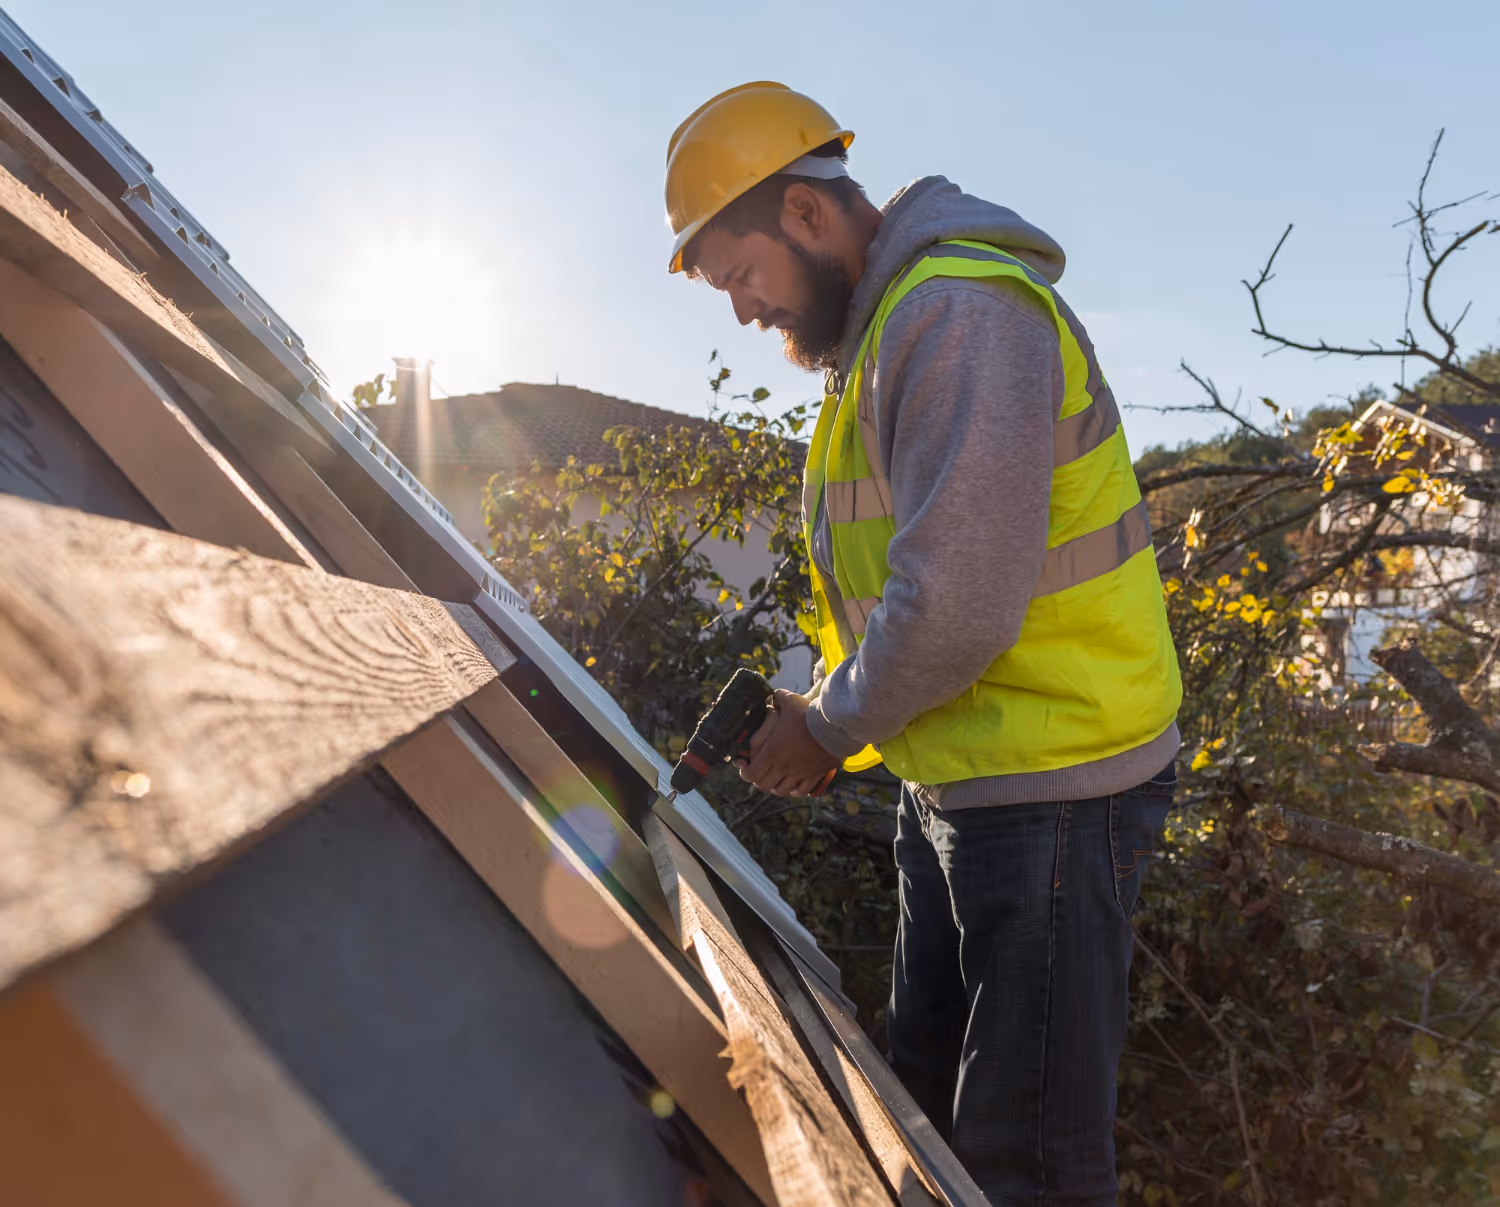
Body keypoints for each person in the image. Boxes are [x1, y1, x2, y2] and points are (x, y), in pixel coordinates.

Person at [664, 82, 1182, 1206]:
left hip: (1056, 786)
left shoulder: (958, 316)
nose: (744, 311)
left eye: (740, 275)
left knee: (1023, 1164)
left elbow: (955, 604)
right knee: (927, 1120)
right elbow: (893, 591)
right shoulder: (884, 339)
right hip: (959, 780)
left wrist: (832, 728)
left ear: (807, 214)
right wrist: (826, 719)